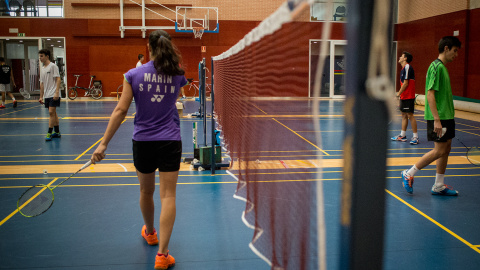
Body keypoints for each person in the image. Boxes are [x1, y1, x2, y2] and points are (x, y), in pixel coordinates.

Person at [91, 30, 187, 270]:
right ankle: (163, 256)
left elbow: (121, 111)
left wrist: (103, 143)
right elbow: (178, 102)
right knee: (168, 196)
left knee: (146, 192)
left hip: (143, 141)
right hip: (170, 141)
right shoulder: (178, 75)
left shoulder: (133, 74)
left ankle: (151, 233)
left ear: (149, 48)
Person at [401, 36, 461, 196]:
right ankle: (409, 173)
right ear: (446, 48)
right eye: (455, 51)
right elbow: (430, 94)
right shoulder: (436, 67)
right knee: (439, 150)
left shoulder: (443, 67)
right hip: (439, 117)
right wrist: (436, 119)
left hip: (447, 116)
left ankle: (439, 185)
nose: (456, 55)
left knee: (446, 149)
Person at [391, 51, 418, 144]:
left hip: (408, 96)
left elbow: (406, 83)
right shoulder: (403, 69)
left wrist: (397, 94)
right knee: (404, 115)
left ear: (405, 58)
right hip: (404, 96)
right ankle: (403, 135)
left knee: (410, 115)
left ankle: (415, 137)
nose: (400, 57)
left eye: (402, 56)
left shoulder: (407, 67)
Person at [38, 49, 61, 141]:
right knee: (53, 113)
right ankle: (57, 132)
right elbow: (42, 83)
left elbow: (58, 79)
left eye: (42, 56)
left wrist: (56, 92)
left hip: (53, 93)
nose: (40, 58)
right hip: (47, 95)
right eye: (39, 56)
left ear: (47, 56)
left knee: (51, 112)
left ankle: (49, 133)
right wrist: (41, 96)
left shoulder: (53, 66)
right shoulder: (42, 69)